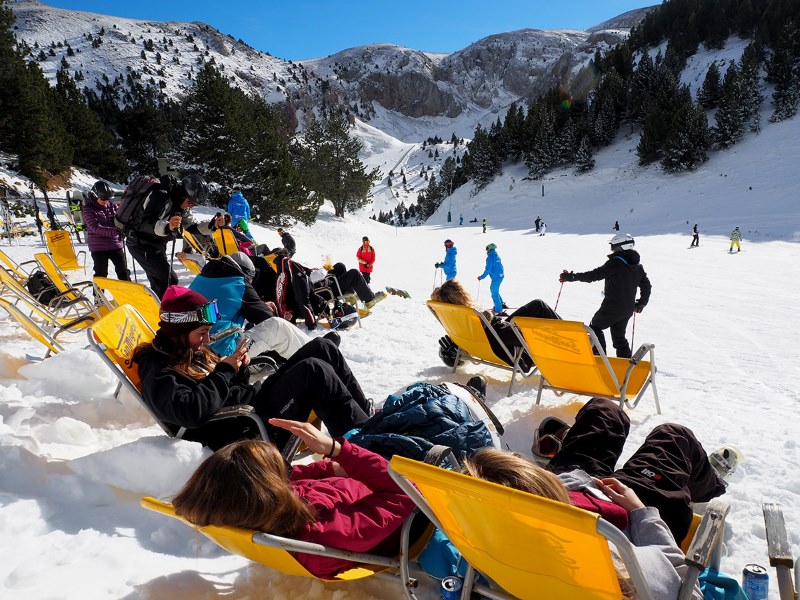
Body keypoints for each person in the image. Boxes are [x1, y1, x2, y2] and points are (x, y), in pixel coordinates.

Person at [133, 286, 372, 450]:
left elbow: (228, 387)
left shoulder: (190, 349)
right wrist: (225, 371)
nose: (207, 341)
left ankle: (369, 428)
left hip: (251, 406)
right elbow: (191, 413)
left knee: (323, 347)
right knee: (313, 371)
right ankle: (362, 449)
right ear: (178, 333)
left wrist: (241, 369)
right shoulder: (157, 371)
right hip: (244, 427)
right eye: (202, 334)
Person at [172, 419, 416, 579]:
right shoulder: (329, 535)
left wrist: (331, 468)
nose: (288, 473)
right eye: (278, 469)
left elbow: (291, 477)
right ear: (268, 489)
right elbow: (407, 490)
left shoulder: (264, 511)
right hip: (406, 510)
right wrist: (339, 452)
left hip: (365, 482)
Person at [541, 397, 731, 547]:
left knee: (604, 409)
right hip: (641, 522)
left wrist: (575, 478)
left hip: (567, 495)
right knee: (673, 435)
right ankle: (708, 482)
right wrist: (640, 512)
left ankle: (573, 442)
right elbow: (674, 581)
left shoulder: (516, 503)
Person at [188, 252, 317, 360]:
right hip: (218, 352)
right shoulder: (238, 283)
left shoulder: (201, 278)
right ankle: (316, 352)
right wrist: (263, 307)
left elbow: (225, 304)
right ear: (245, 273)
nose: (251, 282)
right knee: (277, 326)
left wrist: (258, 305)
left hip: (192, 347)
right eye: (251, 278)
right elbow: (266, 318)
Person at [431, 279, 560, 371]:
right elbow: (521, 337)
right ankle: (573, 339)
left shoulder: (458, 324)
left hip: (495, 341)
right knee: (540, 307)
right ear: (462, 297)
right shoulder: (482, 322)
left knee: (537, 305)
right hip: (521, 354)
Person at [560, 233, 651, 358]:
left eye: (613, 247)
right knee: (619, 337)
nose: (612, 250)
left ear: (622, 247)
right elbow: (646, 286)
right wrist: (641, 303)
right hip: (627, 309)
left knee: (594, 328)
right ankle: (625, 367)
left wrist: (572, 277)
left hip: (612, 307)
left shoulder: (616, 263)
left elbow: (594, 275)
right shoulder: (638, 267)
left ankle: (599, 359)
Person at [125, 174, 215, 299]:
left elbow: (190, 226)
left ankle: (156, 311)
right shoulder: (160, 195)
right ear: (183, 193)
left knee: (160, 283)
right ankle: (165, 312)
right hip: (140, 243)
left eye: (194, 204)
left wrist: (212, 225)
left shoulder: (180, 204)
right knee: (169, 280)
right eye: (190, 202)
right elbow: (146, 223)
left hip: (156, 245)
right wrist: (168, 227)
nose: (191, 206)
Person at [82, 181, 130, 281]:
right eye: (103, 199)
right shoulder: (88, 209)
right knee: (101, 273)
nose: (106, 201)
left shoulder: (111, 206)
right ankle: (98, 296)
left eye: (108, 199)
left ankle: (128, 295)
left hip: (115, 244)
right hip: (98, 247)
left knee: (123, 271)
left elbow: (120, 218)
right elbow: (95, 227)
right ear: (95, 196)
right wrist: (116, 231)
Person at [478, 243, 505, 315]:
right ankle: (501, 304)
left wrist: (481, 277)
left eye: (487, 248)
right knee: (495, 290)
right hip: (500, 276)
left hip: (496, 277)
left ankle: (498, 310)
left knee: (494, 292)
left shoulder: (490, 257)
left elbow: (488, 270)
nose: (486, 250)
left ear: (490, 249)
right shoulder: (496, 256)